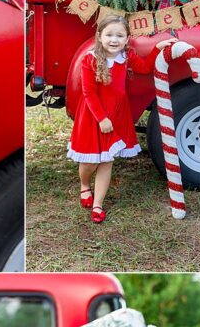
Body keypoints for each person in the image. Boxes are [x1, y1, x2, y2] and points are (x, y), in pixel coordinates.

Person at [67, 14, 171, 223]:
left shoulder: (127, 56)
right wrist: (101, 118)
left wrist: (159, 48)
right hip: (94, 114)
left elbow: (144, 68)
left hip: (117, 113)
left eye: (119, 36)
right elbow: (89, 94)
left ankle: (98, 204)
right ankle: (85, 185)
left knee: (107, 159)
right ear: (99, 36)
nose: (114, 40)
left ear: (126, 39)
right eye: (109, 35)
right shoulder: (91, 59)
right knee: (89, 161)